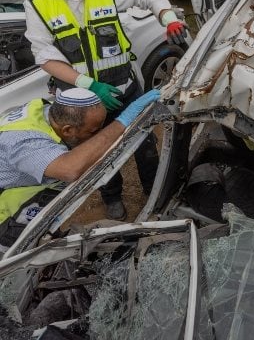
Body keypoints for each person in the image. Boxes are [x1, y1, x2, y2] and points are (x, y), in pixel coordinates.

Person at [23, 0, 186, 220]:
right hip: (84, 103)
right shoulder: (37, 4)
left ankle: (155, 191)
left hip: (124, 89)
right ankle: (111, 196)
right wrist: (89, 85)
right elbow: (45, 58)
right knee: (98, 154)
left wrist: (167, 17)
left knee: (144, 144)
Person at [0, 88, 160, 252]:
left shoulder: (49, 115)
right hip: (7, 209)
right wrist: (122, 121)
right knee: (18, 252)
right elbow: (70, 169)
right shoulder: (23, 142)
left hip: (28, 190)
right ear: (68, 130)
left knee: (40, 233)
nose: (98, 134)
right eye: (93, 131)